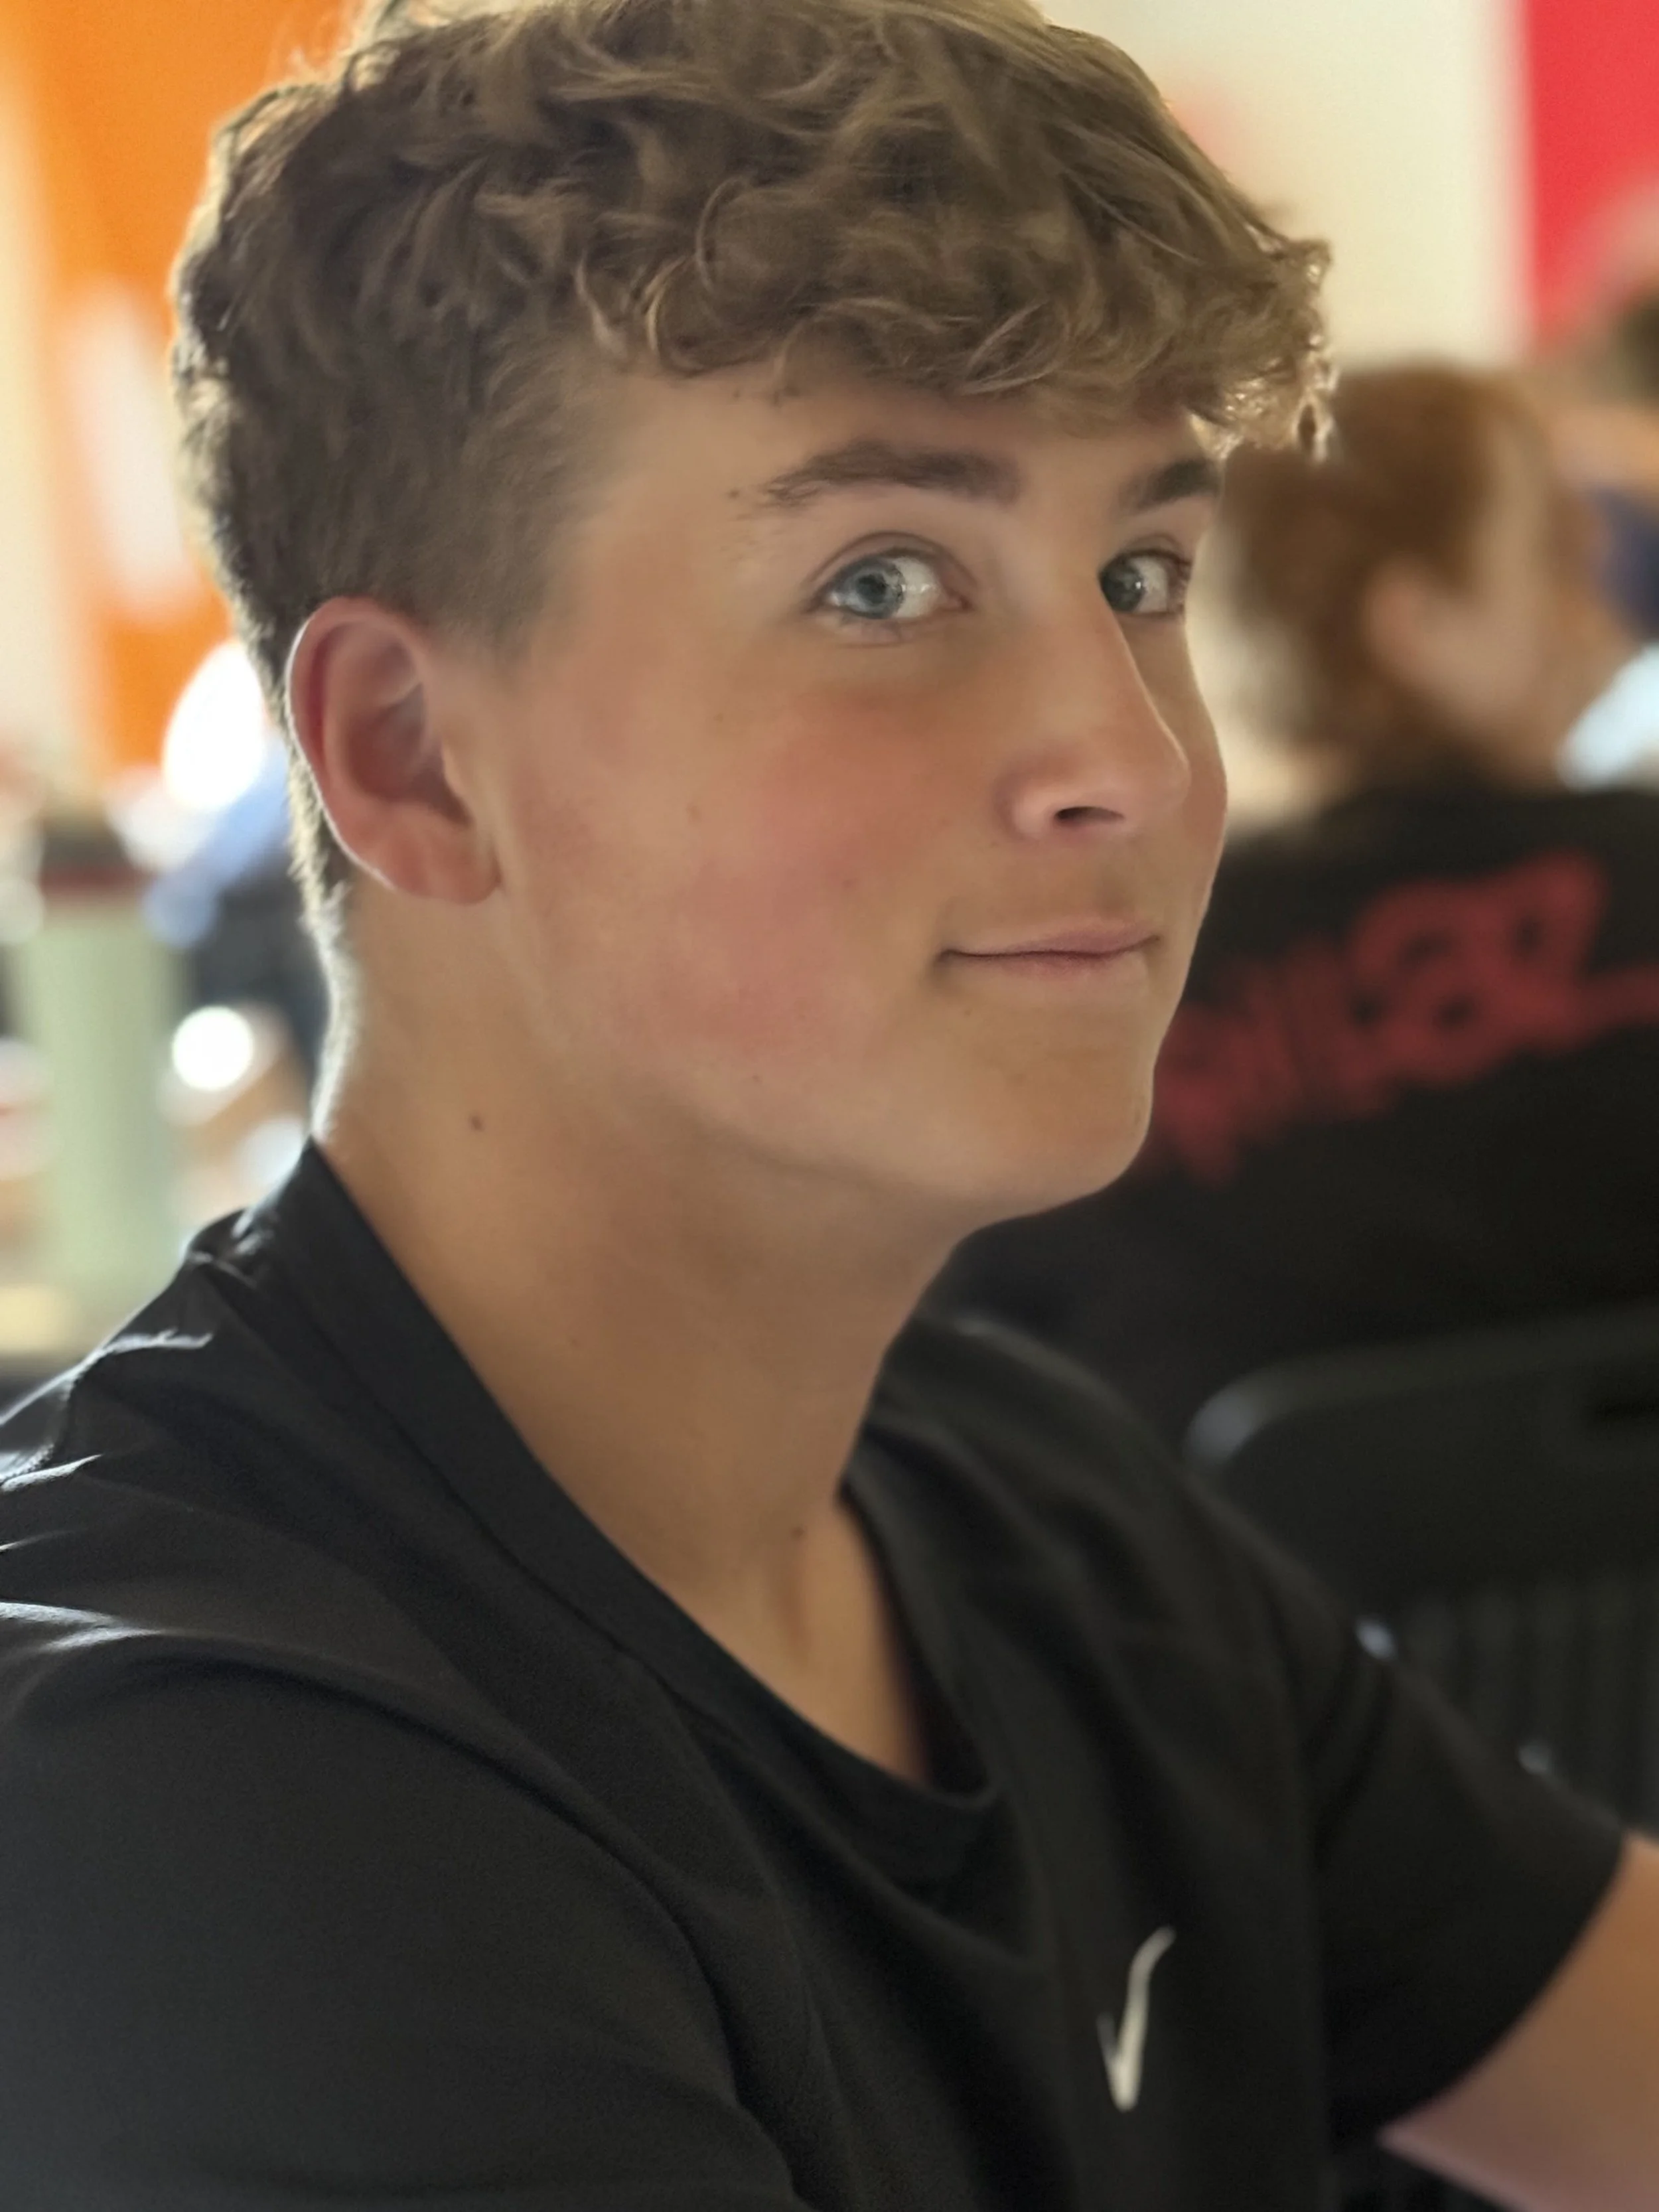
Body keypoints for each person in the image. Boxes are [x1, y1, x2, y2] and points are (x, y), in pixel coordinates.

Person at [1, 11, 1656, 2207]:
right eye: (883, 583)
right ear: (408, 754)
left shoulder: (1024, 1504)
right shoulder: (190, 1794)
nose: (1135, 761)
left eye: (1142, 575)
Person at [940, 361, 1659, 1446]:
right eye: (1552, 546)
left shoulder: (1113, 956)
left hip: (1252, 1604)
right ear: (1415, 625)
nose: (1597, 576)